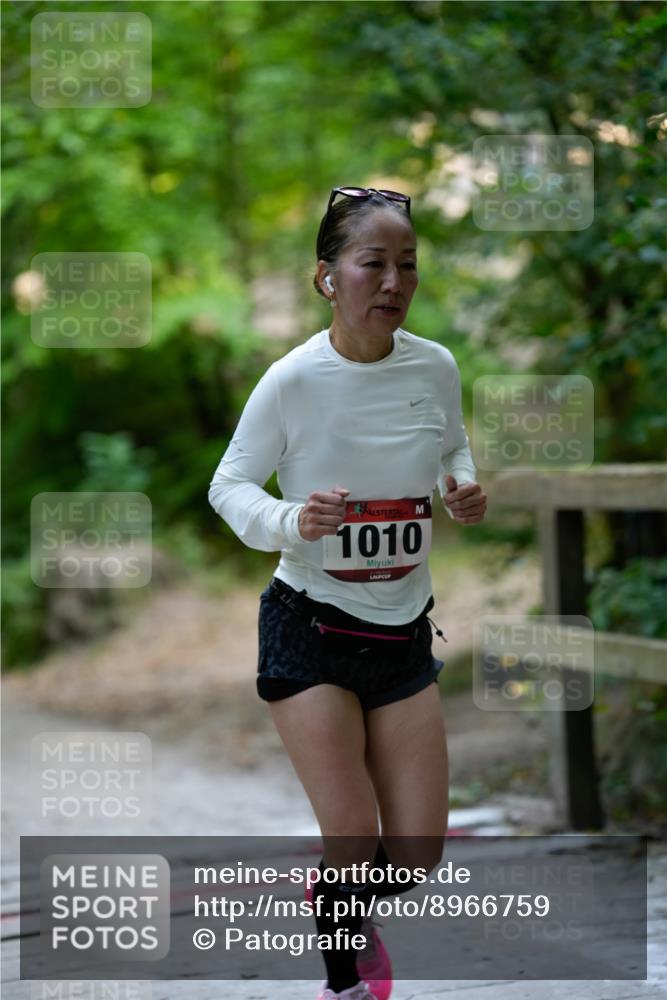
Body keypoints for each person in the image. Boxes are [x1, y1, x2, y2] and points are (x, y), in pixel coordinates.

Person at [208, 185, 487, 1000]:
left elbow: (452, 449)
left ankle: (333, 900)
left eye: (407, 265)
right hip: (310, 630)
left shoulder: (434, 366)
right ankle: (345, 984)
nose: (394, 281)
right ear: (328, 278)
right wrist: (293, 519)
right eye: (374, 264)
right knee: (354, 838)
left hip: (401, 633)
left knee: (416, 854)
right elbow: (229, 487)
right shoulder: (292, 380)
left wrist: (460, 487)